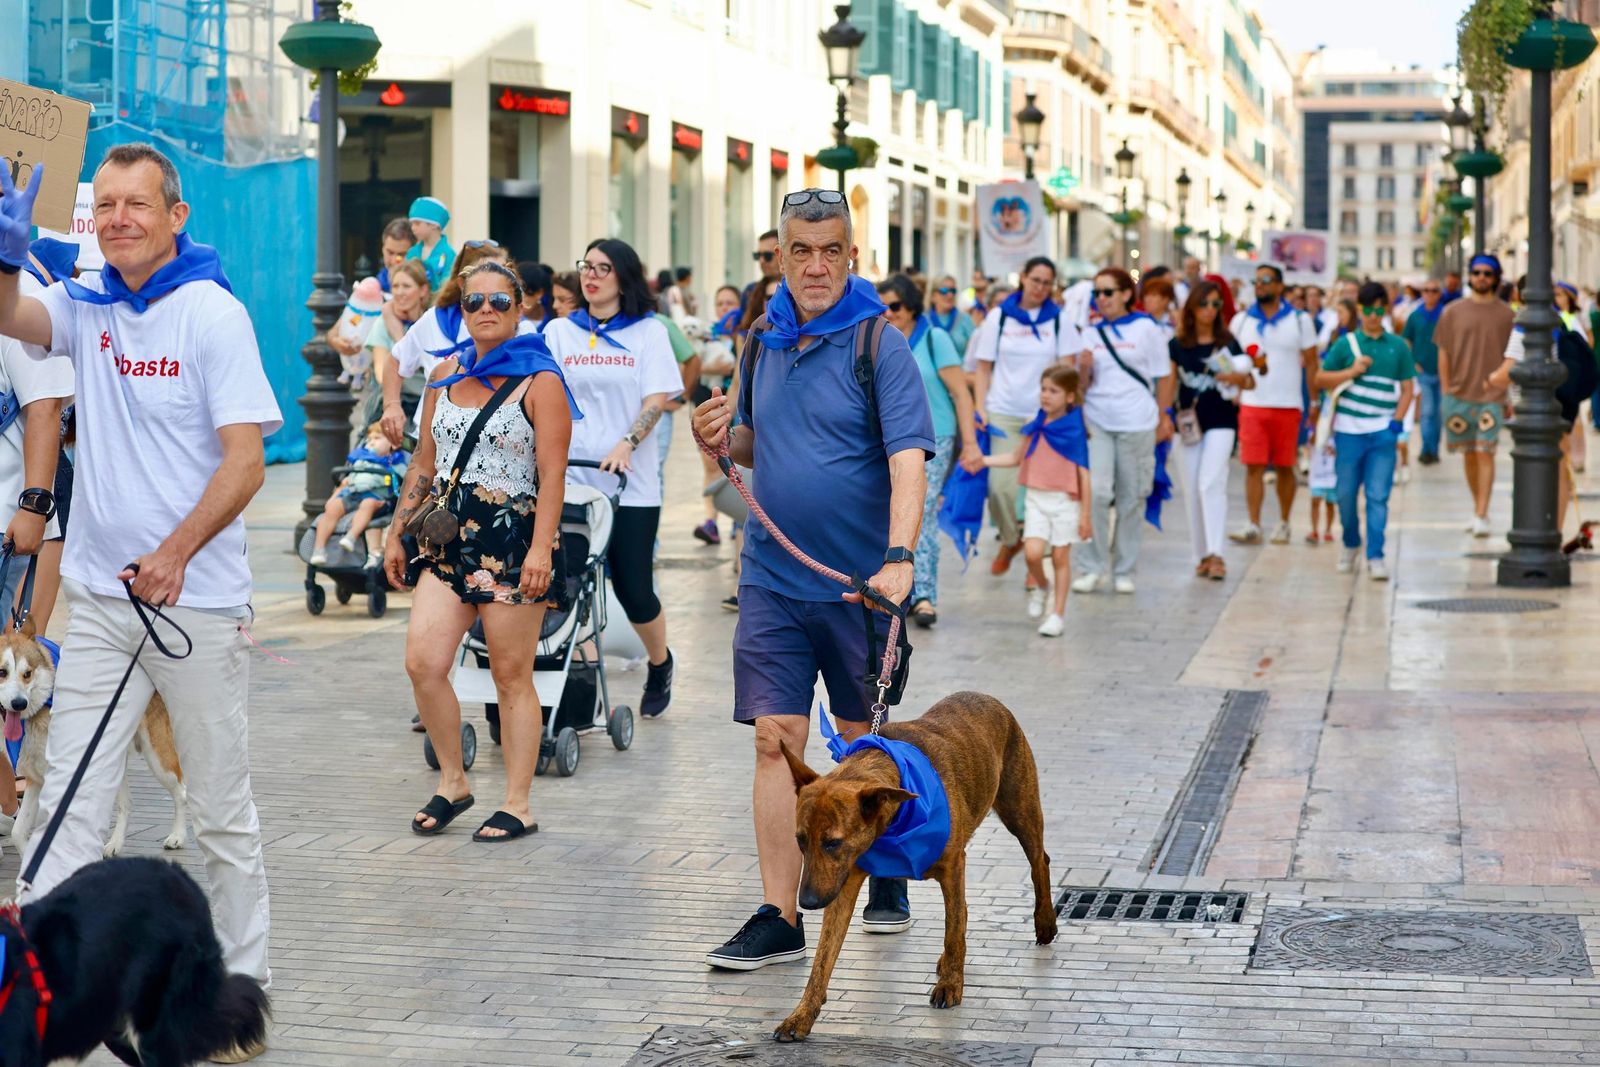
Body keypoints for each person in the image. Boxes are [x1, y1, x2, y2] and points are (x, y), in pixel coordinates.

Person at [0, 145, 279, 1057]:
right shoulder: (88, 305)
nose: (120, 218)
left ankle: (242, 993)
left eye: (138, 204)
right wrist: (5, 255)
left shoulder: (214, 312)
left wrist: (174, 551)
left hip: (194, 606)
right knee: (73, 800)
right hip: (101, 600)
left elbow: (246, 461)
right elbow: (11, 316)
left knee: (221, 807)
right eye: (106, 205)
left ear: (175, 213)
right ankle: (55, 989)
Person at [693, 188, 932, 967]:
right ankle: (780, 914)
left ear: (852, 256)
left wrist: (899, 559)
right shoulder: (763, 340)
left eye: (832, 251)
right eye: (802, 250)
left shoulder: (878, 344)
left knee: (865, 744)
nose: (817, 265)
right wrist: (717, 437)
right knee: (775, 740)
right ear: (782, 257)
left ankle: (885, 867)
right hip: (771, 574)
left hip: (860, 586)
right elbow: (761, 448)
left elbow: (907, 460)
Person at [385, 261, 578, 843]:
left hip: (514, 543)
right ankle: (453, 782)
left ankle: (518, 802)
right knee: (423, 662)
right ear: (461, 310)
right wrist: (396, 531)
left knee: (511, 675)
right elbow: (423, 463)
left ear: (520, 308)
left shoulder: (541, 380)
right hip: (447, 542)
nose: (487, 310)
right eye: (475, 302)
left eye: (499, 300)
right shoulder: (444, 372)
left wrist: (542, 549)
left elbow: (553, 475)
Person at [544, 240, 680, 717]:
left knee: (633, 588)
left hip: (631, 485)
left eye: (603, 268)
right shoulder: (560, 331)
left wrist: (627, 443)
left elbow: (656, 401)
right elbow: (543, 393)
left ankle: (660, 663)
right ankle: (576, 685)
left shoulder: (648, 333)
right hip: (569, 482)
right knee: (566, 586)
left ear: (624, 277)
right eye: (586, 266)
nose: (592, 276)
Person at [876, 274, 980, 627]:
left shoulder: (936, 339)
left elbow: (961, 395)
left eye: (896, 306)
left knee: (922, 512)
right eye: (883, 306)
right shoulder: (877, 339)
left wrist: (971, 443)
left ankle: (925, 597)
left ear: (913, 306)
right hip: (888, 440)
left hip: (935, 438)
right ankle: (896, 589)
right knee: (892, 514)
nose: (889, 313)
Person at [971, 256, 1082, 583]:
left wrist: (1063, 415)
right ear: (1023, 278)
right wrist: (980, 407)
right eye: (1036, 280)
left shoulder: (1059, 320)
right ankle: (1011, 539)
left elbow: (1067, 371)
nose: (1041, 288)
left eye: (1047, 283)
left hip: (1044, 418)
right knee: (1001, 489)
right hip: (1004, 411)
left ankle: (1039, 561)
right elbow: (983, 367)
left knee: (1043, 490)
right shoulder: (999, 317)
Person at [1071, 267, 1174, 594]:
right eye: (1097, 293)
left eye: (1108, 292)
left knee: (1132, 496)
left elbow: (1164, 374)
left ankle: (1124, 568)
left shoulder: (1147, 328)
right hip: (1099, 419)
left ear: (1126, 294)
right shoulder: (1090, 332)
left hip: (1138, 421)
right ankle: (1092, 565)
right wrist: (1083, 369)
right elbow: (1082, 387)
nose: (1102, 299)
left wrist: (1163, 414)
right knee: (1097, 493)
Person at [377, 241, 523, 447]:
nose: (495, 279)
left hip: (489, 446)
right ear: (463, 283)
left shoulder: (517, 327)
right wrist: (392, 405)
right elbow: (395, 361)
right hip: (431, 442)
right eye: (486, 271)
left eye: (503, 272)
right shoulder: (434, 319)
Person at [1315, 282, 1414, 580]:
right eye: (1368, 310)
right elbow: (1320, 378)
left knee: (1377, 495)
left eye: (1378, 310)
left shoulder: (1398, 346)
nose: (1373, 315)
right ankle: (1350, 543)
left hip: (1382, 432)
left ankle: (1376, 554)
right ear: (1359, 310)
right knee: (1345, 494)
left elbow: (1408, 389)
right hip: (1347, 432)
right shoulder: (1345, 345)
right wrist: (1350, 372)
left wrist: (1396, 422)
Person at [982, 366, 1092, 635]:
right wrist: (982, 461)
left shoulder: (1074, 430)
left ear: (1069, 396)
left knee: (1059, 557)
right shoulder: (1034, 424)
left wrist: (1085, 515)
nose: (1045, 395)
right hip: (1035, 498)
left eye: (1053, 391)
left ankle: (1057, 614)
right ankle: (1042, 588)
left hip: (1066, 500)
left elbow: (1084, 474)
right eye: (1043, 389)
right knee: (1032, 553)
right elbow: (1016, 458)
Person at [1229, 264, 1319, 545]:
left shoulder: (1300, 320)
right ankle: (1254, 523)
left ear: (1280, 286)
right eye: (1256, 281)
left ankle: (1283, 522)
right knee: (1253, 465)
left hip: (1288, 403)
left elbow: (1312, 363)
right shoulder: (1242, 321)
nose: (1260, 285)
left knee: (1284, 466)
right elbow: (1230, 358)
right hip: (1253, 403)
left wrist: (1314, 400)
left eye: (1266, 280)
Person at [1170, 280, 1254, 580]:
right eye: (1204, 303)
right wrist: (1162, 419)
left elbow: (1250, 381)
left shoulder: (1228, 341)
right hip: (1188, 423)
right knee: (1192, 488)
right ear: (1192, 306)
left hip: (1221, 419)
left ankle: (1217, 553)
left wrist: (1236, 378)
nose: (1209, 310)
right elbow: (1169, 384)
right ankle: (1201, 554)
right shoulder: (1178, 344)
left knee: (1210, 483)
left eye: (1216, 304)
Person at [1433, 254, 1516, 537]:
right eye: (1477, 272)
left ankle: (1482, 512)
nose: (1482, 277)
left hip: (1492, 395)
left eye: (1488, 273)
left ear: (1496, 278)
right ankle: (1477, 508)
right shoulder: (1452, 312)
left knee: (1485, 452)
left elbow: (1514, 357)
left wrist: (1507, 395)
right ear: (1470, 276)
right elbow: (1443, 352)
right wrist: (1445, 390)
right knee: (1469, 453)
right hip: (1458, 394)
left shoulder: (1508, 315)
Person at [352, 259, 429, 445]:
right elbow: (380, 372)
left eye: (406, 286)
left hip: (428, 403)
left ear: (423, 290)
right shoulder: (382, 324)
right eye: (395, 286)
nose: (400, 292)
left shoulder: (431, 322)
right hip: (397, 401)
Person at [308, 423, 406, 569]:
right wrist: (337, 493)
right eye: (369, 439)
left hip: (376, 498)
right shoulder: (360, 458)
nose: (371, 442)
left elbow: (407, 480)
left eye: (377, 438)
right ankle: (319, 549)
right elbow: (347, 479)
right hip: (353, 493)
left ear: (393, 443)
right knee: (332, 508)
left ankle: (351, 536)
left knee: (368, 504)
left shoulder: (395, 462)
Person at [694, 285, 745, 546]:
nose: (725, 308)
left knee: (736, 465)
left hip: (735, 407)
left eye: (730, 303)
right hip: (710, 401)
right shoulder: (709, 335)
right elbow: (693, 364)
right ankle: (712, 519)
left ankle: (737, 520)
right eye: (720, 303)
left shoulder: (745, 332)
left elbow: (734, 372)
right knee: (710, 463)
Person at [1403, 278, 1445, 464]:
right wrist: (1413, 363)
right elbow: (1407, 341)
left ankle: (1434, 448)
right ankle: (1427, 449)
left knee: (1438, 413)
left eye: (1434, 290)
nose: (1429, 294)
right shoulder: (1415, 315)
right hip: (1423, 370)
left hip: (1443, 371)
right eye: (1426, 290)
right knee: (1427, 411)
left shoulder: (1445, 314)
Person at [405, 196, 456, 289]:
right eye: (412, 224)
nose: (413, 228)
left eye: (417, 223)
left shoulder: (449, 254)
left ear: (434, 224)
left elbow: (448, 287)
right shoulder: (412, 252)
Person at [925, 273, 975, 357]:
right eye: (944, 291)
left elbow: (974, 352)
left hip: (959, 369)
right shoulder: (923, 320)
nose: (950, 295)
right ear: (933, 296)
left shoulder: (964, 319)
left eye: (953, 291)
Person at [376, 217, 416, 294]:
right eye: (390, 253)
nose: (395, 260)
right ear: (383, 249)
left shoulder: (428, 286)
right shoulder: (375, 286)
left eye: (401, 254)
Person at [743, 229, 780, 304]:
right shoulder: (750, 291)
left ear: (782, 254)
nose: (761, 261)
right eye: (758, 255)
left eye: (767, 255)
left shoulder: (799, 290)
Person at [518, 261, 555, 330]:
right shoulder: (511, 322)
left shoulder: (555, 320)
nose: (516, 302)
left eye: (521, 295)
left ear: (539, 293)